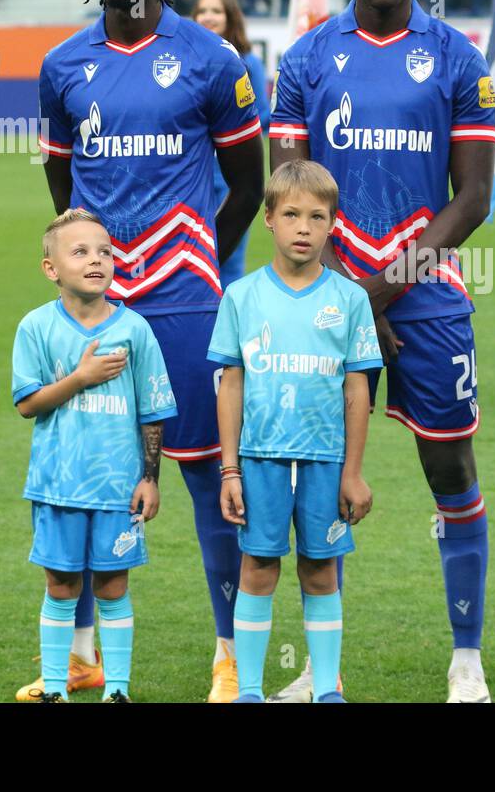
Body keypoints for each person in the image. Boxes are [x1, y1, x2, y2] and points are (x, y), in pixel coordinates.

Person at [19, 0, 265, 704]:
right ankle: (82, 656)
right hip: (92, 304)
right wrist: (86, 260)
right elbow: (62, 184)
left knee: (199, 470)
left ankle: (228, 653)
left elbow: (249, 181)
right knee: (83, 472)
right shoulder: (64, 63)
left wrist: (201, 256)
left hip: (185, 296)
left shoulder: (210, 57)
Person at [270, 0, 495, 703]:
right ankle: (319, 670)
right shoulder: (304, 60)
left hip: (424, 292)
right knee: (319, 475)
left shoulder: (460, 58)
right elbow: (292, 192)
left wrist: (379, 293)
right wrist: (348, 296)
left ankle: (465, 659)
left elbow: (473, 199)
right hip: (328, 294)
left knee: (449, 466)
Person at [211, 161, 382, 702]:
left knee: (319, 571)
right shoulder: (241, 296)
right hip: (259, 459)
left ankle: (327, 688)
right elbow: (230, 385)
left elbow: (358, 392)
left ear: (333, 224)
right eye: (291, 215)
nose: (304, 227)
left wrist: (353, 472)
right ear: (268, 219)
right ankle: (251, 690)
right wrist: (230, 468)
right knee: (259, 566)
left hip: (325, 460)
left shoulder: (350, 300)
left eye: (317, 217)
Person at [11, 209, 178, 702]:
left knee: (111, 584)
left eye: (104, 251)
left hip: (116, 488)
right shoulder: (36, 328)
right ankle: (58, 687)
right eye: (80, 252)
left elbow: (153, 409)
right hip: (57, 484)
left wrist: (150, 478)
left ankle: (118, 689)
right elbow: (26, 403)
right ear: (51, 268)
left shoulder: (135, 329)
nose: (96, 260)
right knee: (61, 583)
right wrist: (78, 379)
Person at [193, 0, 270, 287]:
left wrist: (226, 131)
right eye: (202, 11)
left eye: (216, 11)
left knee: (227, 262)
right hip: (190, 184)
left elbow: (262, 114)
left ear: (230, 17)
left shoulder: (248, 63)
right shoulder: (184, 63)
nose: (208, 17)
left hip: (230, 184)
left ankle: (226, 328)